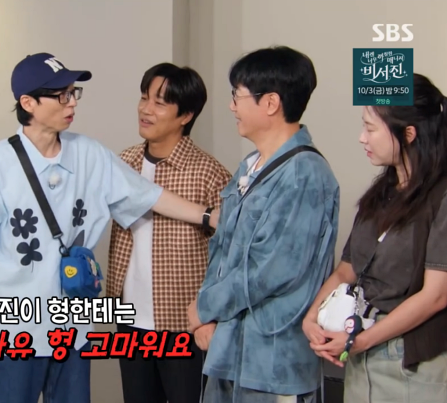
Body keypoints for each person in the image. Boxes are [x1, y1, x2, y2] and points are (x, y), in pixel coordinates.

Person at [0, 52, 219, 403]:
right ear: (28, 103)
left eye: (74, 92)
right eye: (62, 95)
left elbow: (150, 196)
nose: (72, 102)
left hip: (72, 331)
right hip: (13, 328)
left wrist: (207, 215)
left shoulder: (90, 154)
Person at [186, 46, 340, 403]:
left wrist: (206, 307)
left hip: (273, 363)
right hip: (230, 351)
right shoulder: (250, 166)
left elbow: (270, 270)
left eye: (237, 96)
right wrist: (207, 317)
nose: (231, 107)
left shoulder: (304, 175)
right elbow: (221, 249)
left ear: (270, 103)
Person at [304, 73, 447, 402]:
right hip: (361, 357)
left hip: (412, 365)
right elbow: (347, 269)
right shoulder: (381, 192)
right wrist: (313, 316)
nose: (361, 138)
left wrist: (362, 340)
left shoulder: (441, 196)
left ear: (408, 134)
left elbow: (436, 295)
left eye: (370, 128)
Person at [107, 62, 232, 403]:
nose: (146, 109)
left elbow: (229, 258)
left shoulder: (209, 173)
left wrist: (212, 317)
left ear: (185, 115)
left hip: (184, 324)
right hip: (129, 320)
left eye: (160, 102)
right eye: (144, 97)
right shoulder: (124, 163)